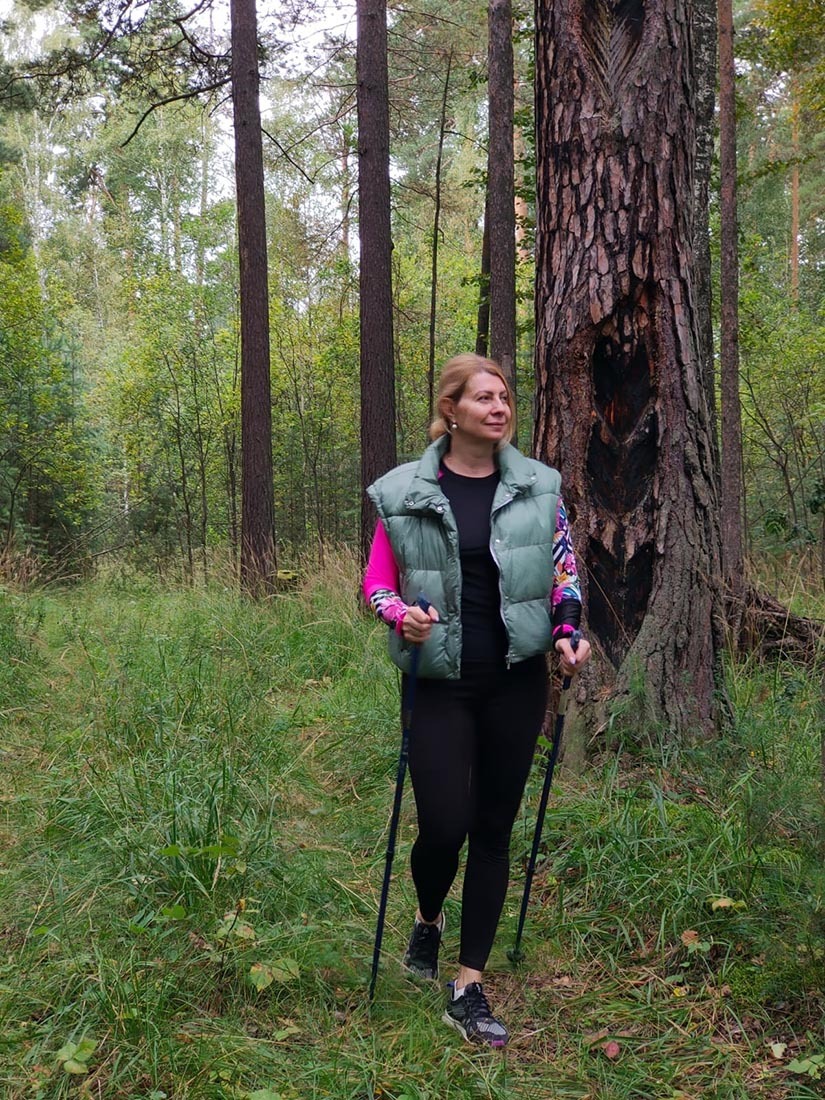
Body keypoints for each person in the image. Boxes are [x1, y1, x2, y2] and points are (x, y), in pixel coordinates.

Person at [363, 353, 591, 1048]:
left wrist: (568, 631)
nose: (498, 408)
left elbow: (563, 572)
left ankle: (468, 984)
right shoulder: (403, 491)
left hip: (516, 679)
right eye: (483, 398)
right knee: (443, 825)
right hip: (439, 680)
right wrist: (399, 613)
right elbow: (376, 583)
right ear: (451, 408)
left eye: (504, 398)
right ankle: (428, 918)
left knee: (493, 829)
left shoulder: (537, 488)